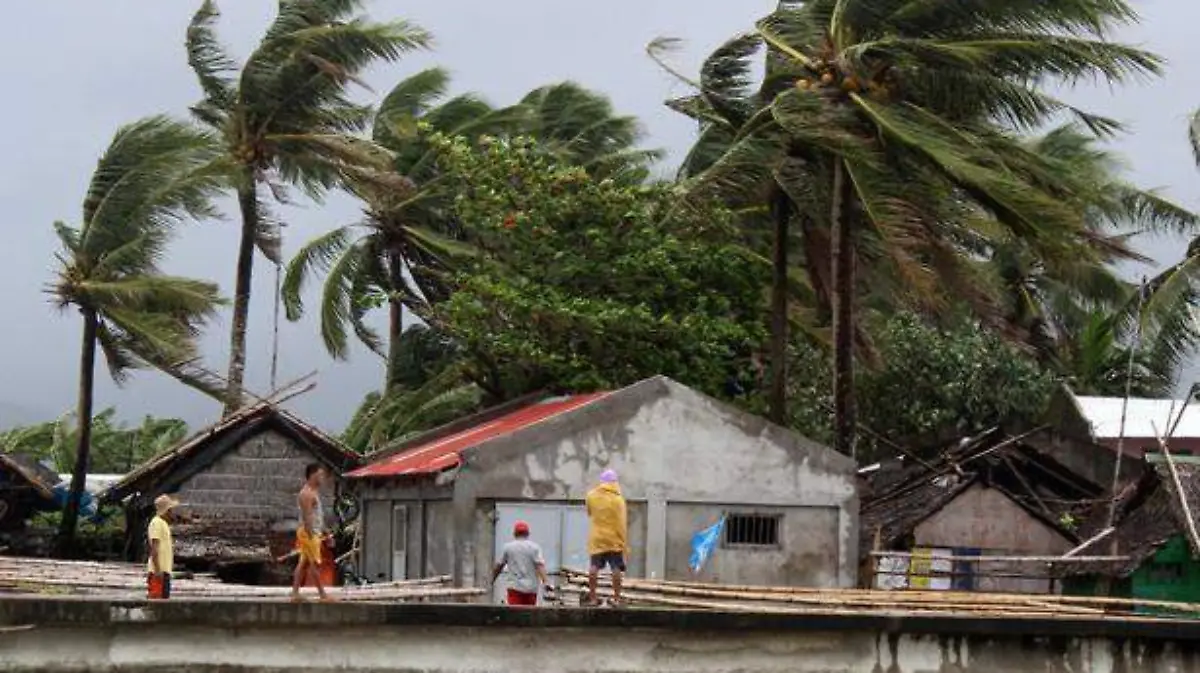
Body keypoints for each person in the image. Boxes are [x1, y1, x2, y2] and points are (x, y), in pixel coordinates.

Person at [585, 469, 628, 606]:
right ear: (615, 482)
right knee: (616, 567)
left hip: (597, 538)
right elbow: (622, 521)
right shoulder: (618, 499)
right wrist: (623, 542)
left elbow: (590, 513)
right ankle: (616, 598)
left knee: (594, 566)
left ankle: (592, 598)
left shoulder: (591, 496)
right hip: (614, 538)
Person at [291, 463, 330, 602]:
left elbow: (317, 515)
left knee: (304, 563)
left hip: (312, 531)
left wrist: (325, 532)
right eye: (320, 475)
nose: (322, 478)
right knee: (315, 563)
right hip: (308, 532)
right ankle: (322, 595)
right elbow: (307, 516)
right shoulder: (306, 493)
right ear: (313, 475)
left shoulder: (313, 492)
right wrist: (311, 534)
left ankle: (295, 594)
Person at [491, 520, 548, 607]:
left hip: (514, 587)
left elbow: (499, 566)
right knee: (529, 615)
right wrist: (546, 581)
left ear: (514, 533)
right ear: (528, 533)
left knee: (515, 614)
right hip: (531, 588)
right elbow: (540, 565)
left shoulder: (508, 547)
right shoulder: (534, 547)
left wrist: (491, 579)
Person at [146, 494, 179, 600]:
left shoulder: (163, 523)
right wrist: (157, 570)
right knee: (157, 601)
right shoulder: (156, 523)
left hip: (164, 570)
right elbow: (154, 548)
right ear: (167, 510)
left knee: (163, 600)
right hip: (159, 571)